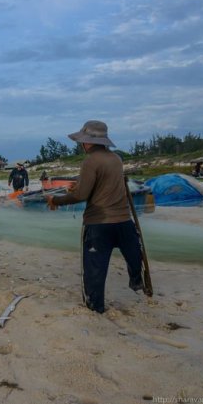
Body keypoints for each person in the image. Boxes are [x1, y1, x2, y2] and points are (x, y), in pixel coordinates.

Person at [45, 120, 144, 314]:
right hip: (124, 221)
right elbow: (101, 185)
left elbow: (81, 195)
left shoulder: (90, 161)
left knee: (94, 270)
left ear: (88, 142)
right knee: (133, 253)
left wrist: (55, 201)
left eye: (82, 141)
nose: (81, 145)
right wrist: (79, 186)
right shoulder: (116, 159)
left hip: (99, 223)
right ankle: (136, 280)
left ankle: (95, 307)